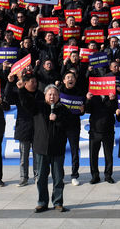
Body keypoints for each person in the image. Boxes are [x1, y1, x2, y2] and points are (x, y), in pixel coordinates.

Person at [20, 84, 70, 213]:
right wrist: (21, 89)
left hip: (57, 149)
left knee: (58, 177)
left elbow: (69, 126)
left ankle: (58, 202)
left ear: (59, 96)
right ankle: (42, 202)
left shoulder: (63, 109)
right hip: (41, 148)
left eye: (55, 94)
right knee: (41, 177)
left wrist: (57, 119)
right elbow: (26, 102)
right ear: (45, 95)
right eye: (50, 94)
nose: (52, 97)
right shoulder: (39, 107)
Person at [6, 71, 39, 187]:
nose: (34, 84)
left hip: (37, 128)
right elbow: (8, 98)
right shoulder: (19, 92)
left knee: (37, 155)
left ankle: (37, 176)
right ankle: (23, 177)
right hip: (24, 127)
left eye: (35, 82)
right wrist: (10, 83)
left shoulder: (39, 94)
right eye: (32, 82)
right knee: (23, 155)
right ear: (25, 83)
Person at [85, 85, 118, 184]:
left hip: (108, 130)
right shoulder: (93, 97)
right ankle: (95, 176)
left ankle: (108, 175)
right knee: (93, 155)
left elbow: (115, 110)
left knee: (108, 155)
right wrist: (88, 99)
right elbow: (87, 110)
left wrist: (112, 100)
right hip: (95, 130)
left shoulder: (112, 97)